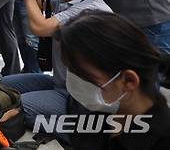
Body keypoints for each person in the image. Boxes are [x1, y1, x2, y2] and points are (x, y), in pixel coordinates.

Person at [0, 0, 112, 141]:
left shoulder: (91, 9)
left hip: (80, 99)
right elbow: (38, 4)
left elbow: (40, 27)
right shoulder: (69, 0)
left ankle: (82, 135)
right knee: (6, 85)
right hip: (60, 83)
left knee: (19, 107)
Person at [59, 11, 170, 149]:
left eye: (85, 77)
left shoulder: (161, 140)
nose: (75, 83)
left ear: (129, 80)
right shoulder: (86, 111)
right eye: (72, 71)